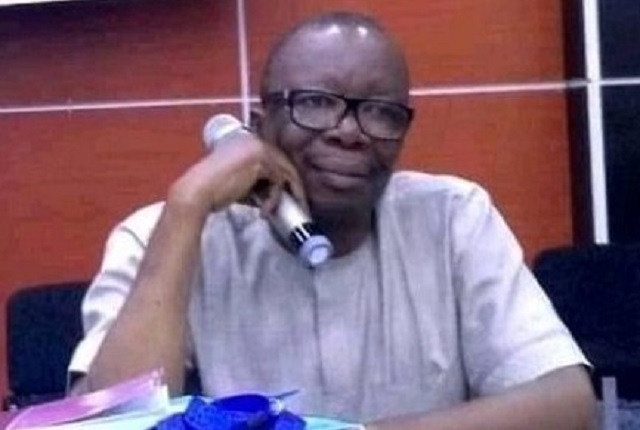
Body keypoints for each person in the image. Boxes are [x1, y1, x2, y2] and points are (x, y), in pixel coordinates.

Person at [68, 11, 596, 429]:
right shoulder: (166, 232)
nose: (350, 132)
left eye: (381, 111)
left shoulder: (452, 217)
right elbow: (110, 425)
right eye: (316, 103)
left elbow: (569, 404)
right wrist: (188, 204)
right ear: (258, 126)